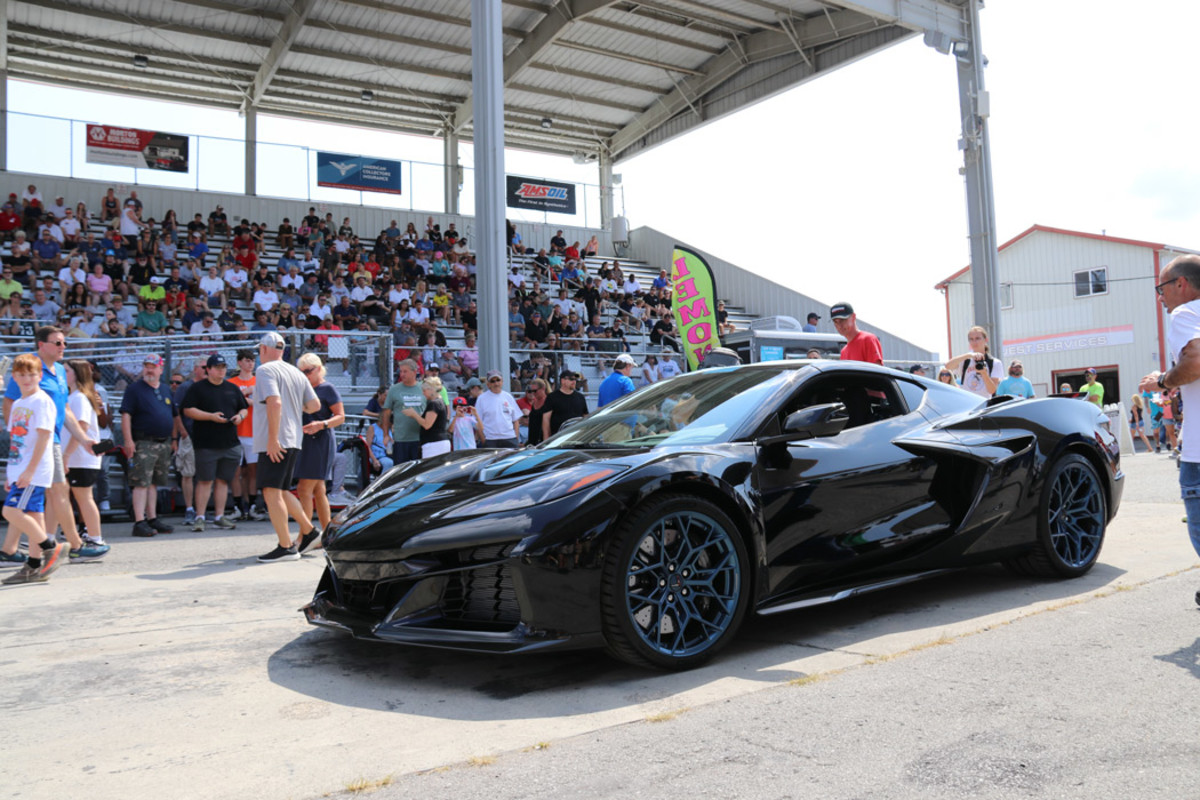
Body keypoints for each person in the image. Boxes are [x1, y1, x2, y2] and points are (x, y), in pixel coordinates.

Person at [2, 326, 106, 562]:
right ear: (42, 345)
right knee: (56, 491)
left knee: (32, 497)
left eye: (64, 343)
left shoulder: (59, 370)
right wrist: (19, 438)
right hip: (42, 439)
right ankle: (75, 545)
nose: (63, 347)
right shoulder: (29, 368)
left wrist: (84, 439)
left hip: (51, 439)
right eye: (57, 343)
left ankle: (9, 549)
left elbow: (65, 410)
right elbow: (9, 403)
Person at [1139, 255, 1200, 605]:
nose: (1160, 298)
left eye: (1161, 289)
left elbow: (1194, 361)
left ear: (1181, 285)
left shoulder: (1186, 314)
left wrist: (1162, 381)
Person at [1, 354, 70, 585]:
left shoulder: (42, 401)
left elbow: (44, 438)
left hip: (34, 470)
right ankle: (32, 565)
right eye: (21, 375)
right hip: (20, 469)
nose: (27, 379)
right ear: (15, 378)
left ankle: (51, 548)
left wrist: (29, 471)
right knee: (33, 516)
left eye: (31, 374)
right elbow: (17, 441)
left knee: (10, 512)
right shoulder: (20, 403)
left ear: (40, 375)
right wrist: (12, 473)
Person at [252, 332, 321, 563]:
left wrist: (272, 439)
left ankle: (286, 547)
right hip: (293, 438)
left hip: (276, 439)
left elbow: (275, 401)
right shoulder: (295, 372)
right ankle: (309, 531)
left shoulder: (264, 370)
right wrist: (293, 411)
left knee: (271, 492)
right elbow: (314, 405)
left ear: (263, 349)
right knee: (280, 490)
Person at [181, 355, 248, 532]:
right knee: (205, 481)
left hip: (230, 442)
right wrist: (210, 417)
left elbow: (244, 408)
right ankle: (200, 517)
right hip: (206, 443)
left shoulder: (232, 388)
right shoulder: (197, 388)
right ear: (208, 369)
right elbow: (187, 410)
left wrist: (240, 416)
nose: (221, 370)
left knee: (223, 481)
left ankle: (219, 516)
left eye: (223, 367)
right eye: (217, 367)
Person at [121, 354, 178, 538]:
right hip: (143, 442)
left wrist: (174, 439)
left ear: (161, 369)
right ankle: (139, 521)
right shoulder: (134, 389)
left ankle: (152, 518)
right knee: (141, 483)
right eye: (146, 366)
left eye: (153, 366)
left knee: (154, 483)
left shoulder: (165, 389)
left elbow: (174, 415)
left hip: (163, 443)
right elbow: (126, 415)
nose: (149, 370)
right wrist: (128, 440)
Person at [296, 353, 344, 537]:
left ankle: (305, 535)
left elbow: (341, 417)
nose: (305, 374)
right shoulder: (302, 388)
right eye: (302, 371)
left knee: (304, 488)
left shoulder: (327, 388)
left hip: (320, 440)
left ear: (318, 369)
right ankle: (327, 534)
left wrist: (321, 424)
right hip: (307, 440)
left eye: (308, 370)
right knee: (318, 489)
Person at [61, 360, 108, 551]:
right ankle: (51, 537)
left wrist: (66, 455)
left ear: (76, 374)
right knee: (62, 497)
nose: (62, 373)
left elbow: (81, 428)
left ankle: (96, 538)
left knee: (83, 497)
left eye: (66, 371)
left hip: (80, 458)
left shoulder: (79, 398)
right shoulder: (73, 396)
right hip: (76, 457)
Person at [227, 350, 265, 521]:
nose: (250, 364)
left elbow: (265, 405)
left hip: (253, 432)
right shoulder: (231, 383)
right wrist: (246, 395)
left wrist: (249, 399)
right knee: (235, 472)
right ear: (239, 363)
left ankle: (251, 506)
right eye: (247, 360)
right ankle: (237, 505)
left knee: (253, 471)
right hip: (235, 433)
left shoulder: (260, 382)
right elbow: (229, 403)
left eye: (252, 361)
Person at [381, 359, 425, 463]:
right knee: (401, 472)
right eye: (400, 371)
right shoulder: (394, 389)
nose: (402, 374)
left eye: (405, 371)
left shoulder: (424, 387)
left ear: (414, 372)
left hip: (420, 438)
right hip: (401, 439)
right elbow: (386, 413)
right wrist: (386, 435)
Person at [943, 325, 1002, 398]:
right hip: (967, 402)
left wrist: (984, 373)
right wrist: (968, 355)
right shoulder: (965, 360)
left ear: (986, 340)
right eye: (971, 339)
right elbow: (947, 366)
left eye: (978, 338)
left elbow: (992, 390)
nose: (974, 342)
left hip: (985, 403)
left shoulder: (994, 362)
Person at [404, 376, 451, 458]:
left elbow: (427, 425)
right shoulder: (440, 402)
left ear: (431, 389)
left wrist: (414, 414)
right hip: (438, 442)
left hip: (434, 444)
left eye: (424, 390)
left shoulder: (434, 404)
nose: (423, 393)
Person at [475, 370, 522, 448]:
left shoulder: (508, 396)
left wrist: (515, 437)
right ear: (488, 384)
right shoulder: (481, 398)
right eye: (492, 381)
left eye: (498, 380)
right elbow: (477, 421)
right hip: (490, 439)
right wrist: (484, 440)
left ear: (502, 382)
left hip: (509, 438)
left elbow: (516, 419)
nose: (496, 383)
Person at [542, 370, 589, 441]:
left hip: (577, 438)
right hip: (558, 439)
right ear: (563, 381)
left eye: (575, 379)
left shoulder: (580, 397)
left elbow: (585, 417)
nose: (574, 382)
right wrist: (546, 440)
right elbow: (546, 419)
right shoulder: (552, 397)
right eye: (571, 379)